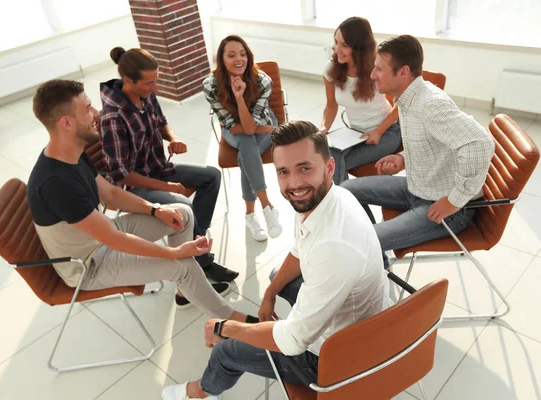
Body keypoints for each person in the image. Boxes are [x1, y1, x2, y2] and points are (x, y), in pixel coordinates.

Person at [161, 120, 389, 400]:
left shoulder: (333, 247)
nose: (294, 184)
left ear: (329, 167)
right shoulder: (329, 197)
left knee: (225, 350)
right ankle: (270, 314)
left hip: (337, 356)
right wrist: (270, 293)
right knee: (276, 278)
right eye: (284, 172)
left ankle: (197, 393)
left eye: (305, 168)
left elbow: (293, 341)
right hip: (359, 315)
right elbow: (299, 250)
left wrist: (225, 326)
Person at [27, 79, 256, 320]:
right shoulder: (57, 183)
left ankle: (185, 291)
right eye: (88, 108)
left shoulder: (71, 153)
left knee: (181, 214)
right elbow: (113, 239)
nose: (97, 112)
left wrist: (156, 210)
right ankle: (236, 323)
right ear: (67, 123)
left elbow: (112, 193)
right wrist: (174, 253)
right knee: (184, 266)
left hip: (99, 237)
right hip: (89, 264)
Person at [341, 35, 495, 269]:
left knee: (360, 240)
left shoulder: (429, 104)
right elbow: (435, 142)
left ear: (403, 72)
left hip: (444, 209)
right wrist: (402, 159)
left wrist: (454, 201)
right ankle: (377, 258)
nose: (372, 75)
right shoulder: (407, 98)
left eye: (379, 70)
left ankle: (370, 251)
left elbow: (480, 143)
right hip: (418, 186)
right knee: (345, 191)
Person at [99, 47, 239, 289]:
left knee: (212, 176)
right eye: (148, 83)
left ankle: (194, 244)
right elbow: (122, 174)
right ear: (128, 81)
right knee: (182, 204)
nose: (154, 88)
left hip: (157, 167)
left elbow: (162, 124)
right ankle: (198, 263)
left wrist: (173, 137)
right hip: (131, 187)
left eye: (156, 81)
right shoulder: (112, 118)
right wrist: (165, 186)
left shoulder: (146, 94)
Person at [202, 35, 283, 242]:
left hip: (258, 122)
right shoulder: (210, 85)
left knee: (247, 149)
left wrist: (242, 101)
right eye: (231, 55)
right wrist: (238, 98)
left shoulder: (262, 81)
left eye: (242, 54)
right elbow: (242, 128)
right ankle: (267, 206)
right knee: (248, 142)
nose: (239, 59)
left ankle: (250, 214)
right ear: (222, 59)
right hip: (234, 129)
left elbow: (249, 127)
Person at [321, 17, 401, 184]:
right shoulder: (331, 68)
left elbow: (402, 105)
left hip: (386, 131)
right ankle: (350, 209)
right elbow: (331, 105)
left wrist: (378, 132)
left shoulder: (378, 69)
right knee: (332, 158)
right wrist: (323, 129)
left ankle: (346, 209)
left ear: (359, 48)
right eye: (336, 42)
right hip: (355, 133)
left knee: (334, 166)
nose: (336, 49)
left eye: (344, 45)